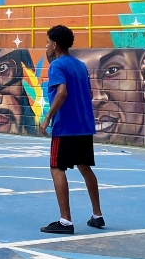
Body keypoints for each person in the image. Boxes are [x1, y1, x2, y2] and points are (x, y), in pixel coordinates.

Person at [38, 24, 104, 233]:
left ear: (55, 44)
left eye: (47, 42)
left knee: (57, 168)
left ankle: (65, 221)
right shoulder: (80, 65)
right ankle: (97, 215)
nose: (46, 46)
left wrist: (48, 117)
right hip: (84, 126)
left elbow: (62, 92)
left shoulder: (57, 66)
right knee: (85, 168)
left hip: (66, 127)